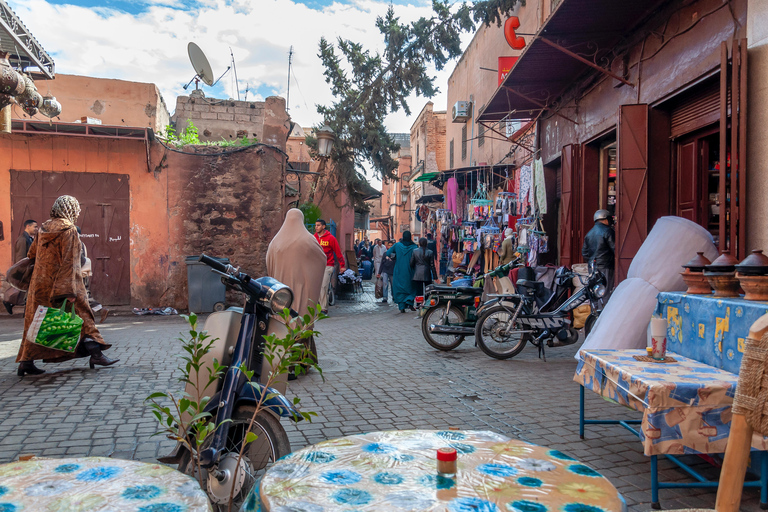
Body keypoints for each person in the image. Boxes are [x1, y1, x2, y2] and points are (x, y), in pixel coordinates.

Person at [16, 196, 118, 377]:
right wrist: (68, 291)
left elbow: (32, 254)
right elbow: (70, 262)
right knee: (85, 316)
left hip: (39, 285)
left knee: (35, 323)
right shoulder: (69, 230)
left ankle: (26, 362)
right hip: (63, 283)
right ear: (71, 210)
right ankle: (96, 354)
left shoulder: (43, 228)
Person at [267, 209, 326, 381]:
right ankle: (300, 363)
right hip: (301, 289)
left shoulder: (275, 242)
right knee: (299, 321)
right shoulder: (307, 240)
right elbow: (321, 258)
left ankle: (281, 363)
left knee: (282, 324)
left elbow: (268, 263)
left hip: (281, 294)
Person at [3, 219, 37, 315]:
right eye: (35, 226)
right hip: (24, 270)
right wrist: (24, 271)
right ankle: (8, 301)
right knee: (19, 290)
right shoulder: (22, 240)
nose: (36, 229)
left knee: (23, 291)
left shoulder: (29, 238)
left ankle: (13, 303)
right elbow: (21, 258)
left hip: (28, 269)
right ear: (28, 226)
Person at [76, 226, 109, 323]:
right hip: (83, 272)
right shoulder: (81, 243)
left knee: (82, 294)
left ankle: (98, 310)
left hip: (79, 273)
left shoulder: (76, 243)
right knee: (84, 294)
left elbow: (80, 259)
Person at [314, 219, 344, 315]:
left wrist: (342, 265)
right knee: (317, 287)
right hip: (316, 266)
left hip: (328, 265)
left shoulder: (331, 238)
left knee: (323, 286)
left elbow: (338, 252)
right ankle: (319, 306)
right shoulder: (313, 238)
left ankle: (323, 309)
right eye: (315, 225)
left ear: (323, 226)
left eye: (318, 225)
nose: (316, 227)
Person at [582, 209, 616, 292]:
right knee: (605, 291)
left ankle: (595, 306)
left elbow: (584, 253)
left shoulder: (589, 233)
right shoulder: (608, 231)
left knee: (595, 292)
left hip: (593, 267)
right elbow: (615, 248)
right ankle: (605, 306)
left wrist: (591, 261)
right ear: (605, 219)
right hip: (606, 266)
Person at [385, 231, 418, 313]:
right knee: (410, 287)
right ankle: (410, 303)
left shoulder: (397, 245)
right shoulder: (414, 247)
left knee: (399, 287)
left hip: (399, 270)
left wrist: (395, 256)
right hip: (410, 270)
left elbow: (388, 253)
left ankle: (401, 307)